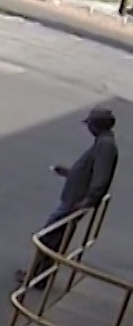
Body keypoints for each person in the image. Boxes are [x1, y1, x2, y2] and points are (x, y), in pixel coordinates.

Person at [20, 106, 118, 287]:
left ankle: (37, 277)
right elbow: (88, 172)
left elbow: (101, 177)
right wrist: (68, 173)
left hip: (74, 201)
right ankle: (36, 275)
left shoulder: (106, 146)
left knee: (50, 237)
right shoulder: (103, 142)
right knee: (53, 237)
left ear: (96, 125)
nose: (89, 128)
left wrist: (89, 200)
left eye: (90, 124)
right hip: (74, 199)